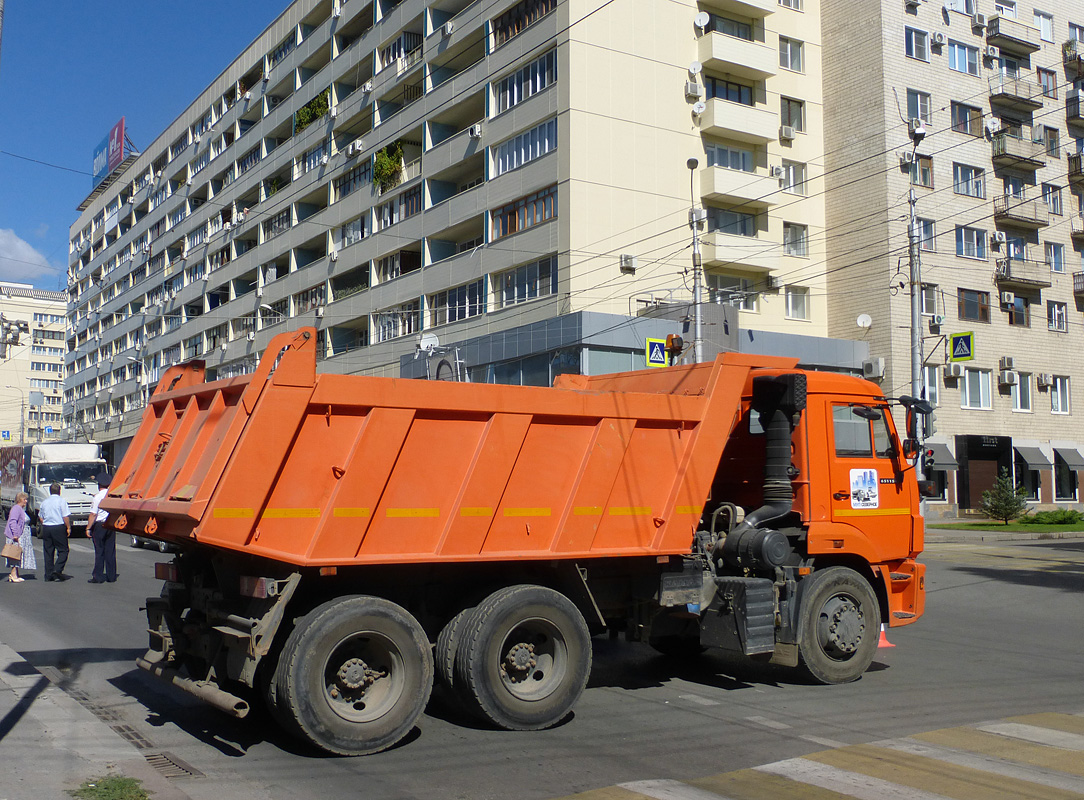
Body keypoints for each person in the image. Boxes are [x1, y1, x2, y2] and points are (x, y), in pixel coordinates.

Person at [39, 482, 72, 582]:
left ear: (50, 491)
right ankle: (57, 569)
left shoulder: (45, 502)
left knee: (48, 551)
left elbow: (41, 517)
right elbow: (65, 516)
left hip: (47, 527)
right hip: (58, 526)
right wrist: (68, 527)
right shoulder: (61, 501)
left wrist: (46, 522)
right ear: (59, 491)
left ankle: (48, 575)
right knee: (63, 550)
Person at [87, 472, 116, 584]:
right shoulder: (112, 495)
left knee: (99, 551)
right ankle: (111, 576)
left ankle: (98, 576)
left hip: (100, 525)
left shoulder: (97, 497)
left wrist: (88, 528)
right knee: (110, 551)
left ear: (99, 485)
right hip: (110, 524)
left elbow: (93, 514)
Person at [5, 492, 29, 583]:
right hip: (15, 536)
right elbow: (12, 522)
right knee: (14, 555)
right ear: (20, 499)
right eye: (24, 499)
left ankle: (15, 574)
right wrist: (15, 534)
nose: (26, 501)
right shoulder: (16, 509)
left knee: (17, 554)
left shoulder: (20, 509)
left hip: (18, 535)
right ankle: (13, 574)